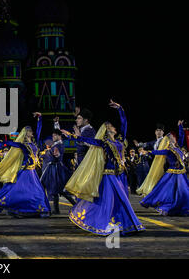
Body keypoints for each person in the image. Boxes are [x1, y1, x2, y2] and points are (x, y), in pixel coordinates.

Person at [61, 100, 145, 236]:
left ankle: (126, 224)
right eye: (110, 126)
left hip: (119, 176)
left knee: (121, 202)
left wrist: (120, 109)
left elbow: (124, 124)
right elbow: (89, 141)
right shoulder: (104, 143)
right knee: (107, 203)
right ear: (106, 130)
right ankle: (104, 224)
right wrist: (73, 136)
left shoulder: (120, 140)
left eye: (111, 125)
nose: (113, 126)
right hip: (108, 177)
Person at [0, 112, 51, 218]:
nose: (31, 132)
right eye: (29, 131)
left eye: (31, 131)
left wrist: (40, 119)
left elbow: (39, 131)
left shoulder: (34, 142)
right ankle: (19, 209)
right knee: (19, 192)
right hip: (25, 171)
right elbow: (11, 143)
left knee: (37, 191)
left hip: (33, 171)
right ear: (25, 133)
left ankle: (39, 209)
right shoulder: (23, 145)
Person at [138, 121, 189, 216]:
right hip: (172, 174)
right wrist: (147, 152)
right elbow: (158, 152)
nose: (173, 138)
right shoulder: (168, 150)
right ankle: (167, 207)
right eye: (171, 137)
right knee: (169, 192)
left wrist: (180, 126)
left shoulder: (178, 147)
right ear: (169, 140)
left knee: (183, 192)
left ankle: (181, 208)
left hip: (181, 174)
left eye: (173, 137)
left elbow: (182, 136)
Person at [40, 126, 76, 215]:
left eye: (54, 135)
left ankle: (74, 205)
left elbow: (56, 155)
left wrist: (47, 155)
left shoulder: (58, 145)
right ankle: (57, 209)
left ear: (59, 136)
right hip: (54, 168)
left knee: (57, 189)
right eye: (52, 135)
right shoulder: (58, 144)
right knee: (57, 190)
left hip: (55, 169)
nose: (53, 137)